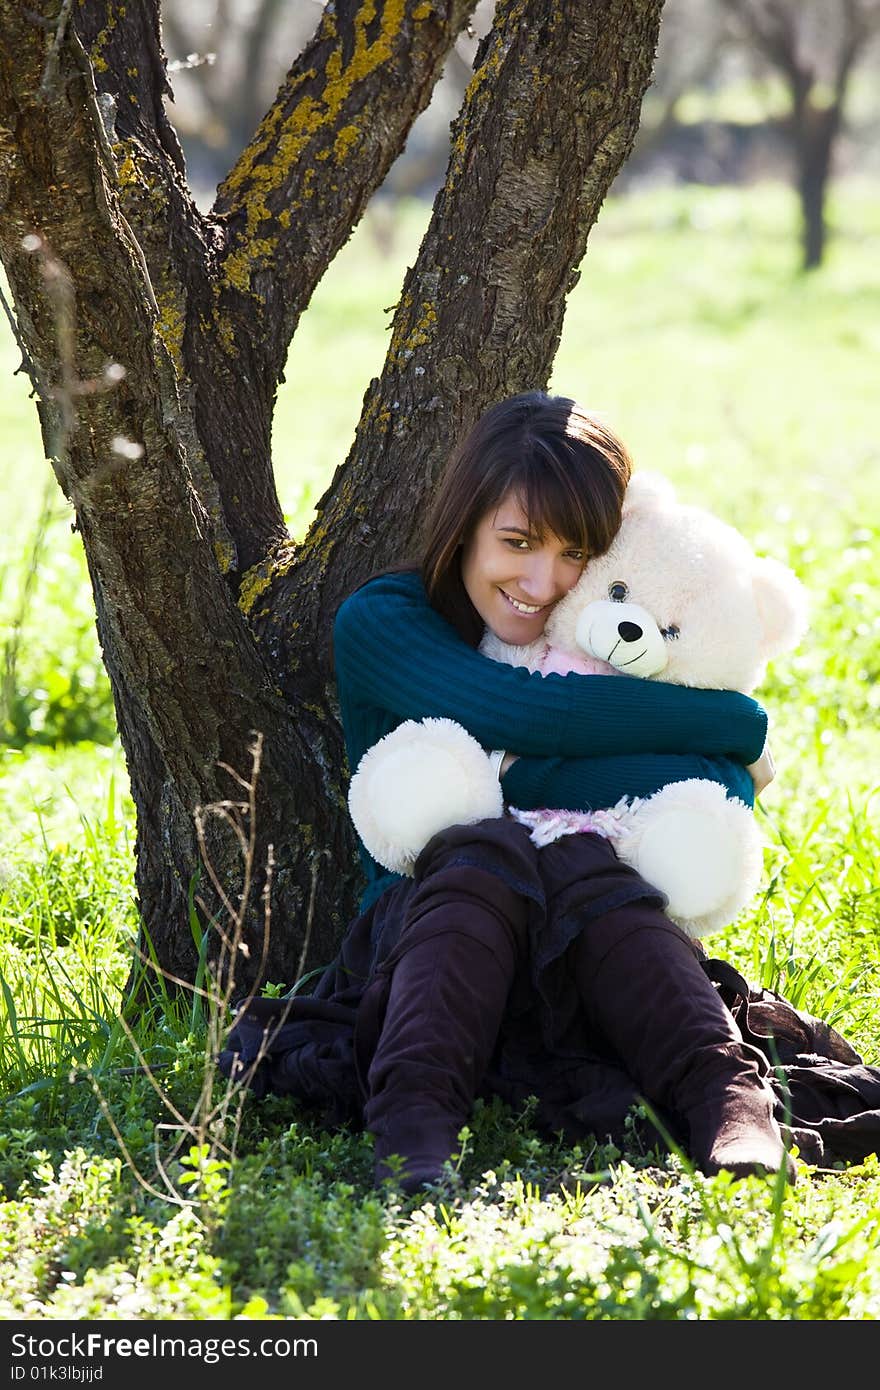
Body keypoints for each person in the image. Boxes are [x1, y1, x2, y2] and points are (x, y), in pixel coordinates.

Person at [218, 391, 876, 1192]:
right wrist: (731, 725)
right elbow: (532, 712)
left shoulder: (601, 639)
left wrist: (531, 772)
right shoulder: (386, 621)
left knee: (579, 858)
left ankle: (730, 1108)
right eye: (518, 542)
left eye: (575, 555)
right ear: (464, 523)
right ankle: (413, 1133)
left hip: (606, 960)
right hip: (436, 948)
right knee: (484, 848)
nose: (543, 580)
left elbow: (706, 787)